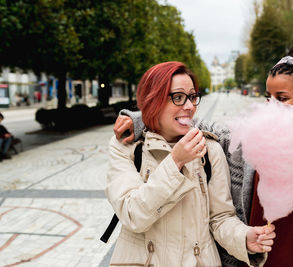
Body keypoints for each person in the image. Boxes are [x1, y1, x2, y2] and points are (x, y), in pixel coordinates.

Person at [113, 40, 293, 267]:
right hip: (251, 259)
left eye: (282, 98)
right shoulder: (246, 143)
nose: (271, 105)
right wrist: (141, 119)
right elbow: (191, 122)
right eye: (268, 97)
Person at [106, 61, 276, 267]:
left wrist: (244, 238)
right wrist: (175, 161)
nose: (189, 107)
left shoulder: (209, 149)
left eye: (193, 97)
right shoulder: (126, 147)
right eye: (178, 97)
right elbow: (132, 214)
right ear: (153, 100)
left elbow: (220, 218)